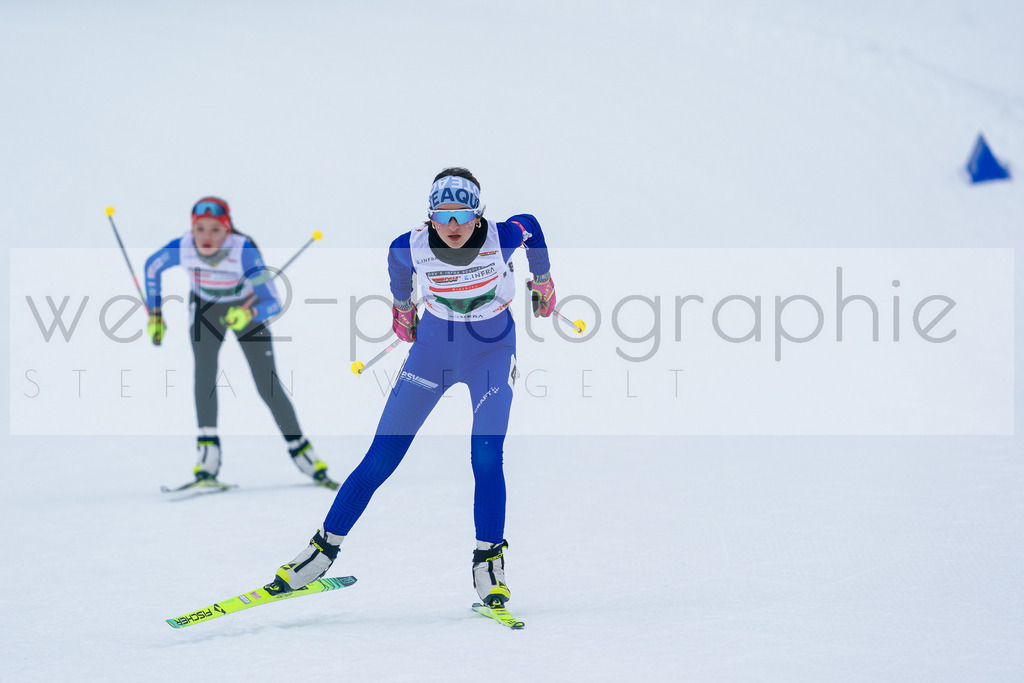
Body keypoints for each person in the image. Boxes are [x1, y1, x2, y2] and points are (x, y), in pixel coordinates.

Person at [265, 168, 557, 607]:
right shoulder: (412, 245)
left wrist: (544, 278)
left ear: (478, 216)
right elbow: (396, 260)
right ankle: (321, 551)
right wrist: (402, 306)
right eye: (443, 215)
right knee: (382, 455)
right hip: (433, 351)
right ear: (430, 217)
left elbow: (530, 225)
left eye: (463, 215)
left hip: (491, 353)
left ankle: (489, 560)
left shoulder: (502, 237)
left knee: (485, 455)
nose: (453, 225)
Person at [144, 196, 338, 489]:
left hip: (245, 308)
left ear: (228, 229)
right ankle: (207, 461)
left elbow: (273, 301)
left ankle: (305, 456)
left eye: (215, 229)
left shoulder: (243, 251)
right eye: (200, 229)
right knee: (204, 374)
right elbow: (152, 267)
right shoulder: (183, 247)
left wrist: (249, 313)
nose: (206, 237)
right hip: (205, 309)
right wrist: (156, 314)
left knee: (267, 384)